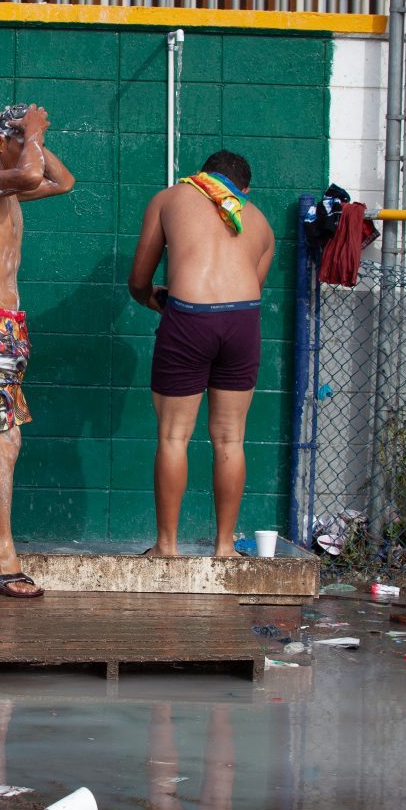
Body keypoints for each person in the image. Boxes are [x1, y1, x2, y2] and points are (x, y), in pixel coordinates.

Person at [128, 150, 275, 557]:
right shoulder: (259, 221)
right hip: (243, 321)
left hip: (190, 317)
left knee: (174, 436)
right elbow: (251, 288)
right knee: (231, 439)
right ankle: (225, 547)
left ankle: (167, 546)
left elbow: (139, 280)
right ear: (243, 190)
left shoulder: (170, 197)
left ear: (203, 176)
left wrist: (154, 300)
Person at [0, 103, 74, 597]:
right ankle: (1, 554)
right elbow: (30, 173)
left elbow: (63, 182)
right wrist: (36, 135)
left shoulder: (11, 187)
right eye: (18, 139)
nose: (28, 149)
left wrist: (35, 138)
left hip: (7, 331)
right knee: (7, 439)